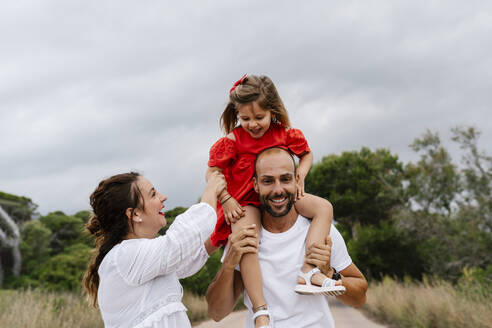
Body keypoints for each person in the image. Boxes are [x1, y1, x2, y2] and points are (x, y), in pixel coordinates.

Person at [207, 75, 337, 327]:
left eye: (259, 118)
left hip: (280, 193)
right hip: (245, 200)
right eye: (245, 119)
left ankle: (309, 271)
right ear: (237, 115)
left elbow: (307, 155)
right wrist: (226, 199)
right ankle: (260, 309)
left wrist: (300, 175)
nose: (253, 124)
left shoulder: (284, 133)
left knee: (324, 207)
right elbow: (212, 172)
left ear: (272, 111)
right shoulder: (233, 140)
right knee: (247, 242)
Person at [206, 147, 368, 328]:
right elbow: (216, 313)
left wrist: (329, 272)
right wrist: (229, 263)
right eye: (268, 181)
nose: (278, 189)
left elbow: (359, 299)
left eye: (285, 179)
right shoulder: (244, 235)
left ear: (297, 180)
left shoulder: (322, 230)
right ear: (255, 185)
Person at [83, 171, 226, 328]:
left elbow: (182, 262)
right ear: (134, 213)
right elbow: (177, 245)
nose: (163, 197)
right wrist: (210, 191)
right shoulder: (123, 256)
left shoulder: (140, 258)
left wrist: (220, 236)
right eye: (153, 194)